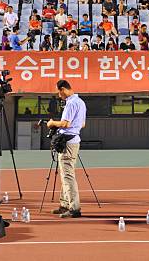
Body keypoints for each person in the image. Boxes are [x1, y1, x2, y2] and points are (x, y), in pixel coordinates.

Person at [47, 80, 87, 218]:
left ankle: (74, 208)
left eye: (59, 92)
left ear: (63, 89)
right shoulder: (81, 102)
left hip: (68, 142)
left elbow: (65, 123)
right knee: (65, 173)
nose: (59, 95)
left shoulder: (70, 103)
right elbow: (82, 124)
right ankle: (65, 204)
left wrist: (52, 123)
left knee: (68, 175)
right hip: (74, 141)